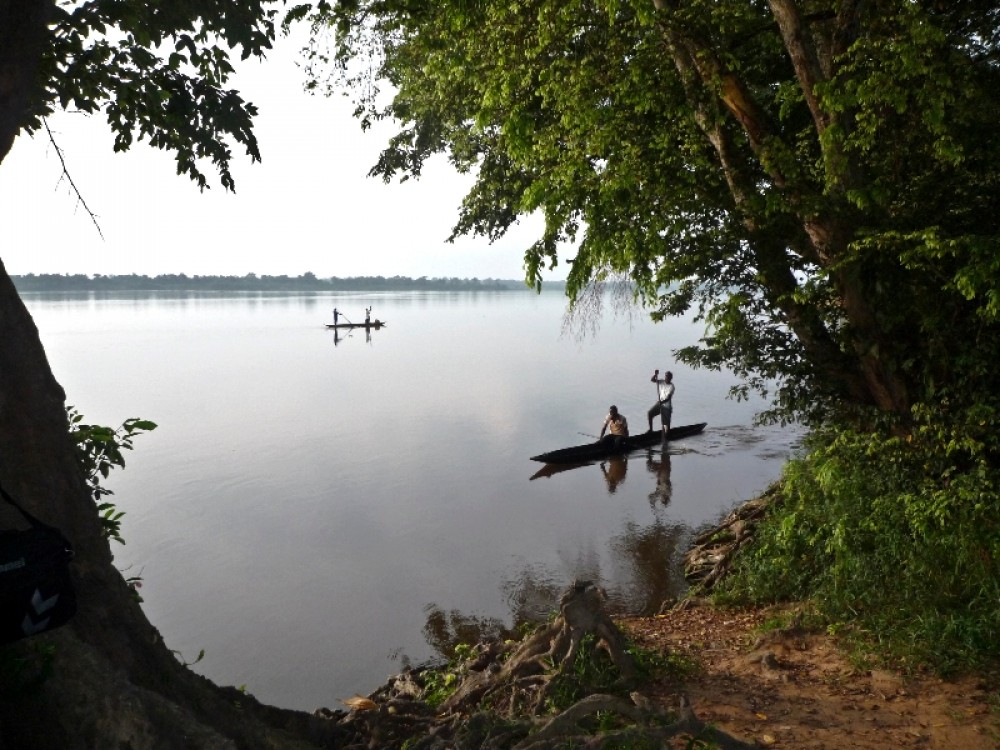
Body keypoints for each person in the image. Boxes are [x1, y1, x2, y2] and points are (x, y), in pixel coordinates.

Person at [647, 369, 675, 437]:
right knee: (650, 413)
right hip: (659, 404)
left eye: (668, 377)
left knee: (665, 425)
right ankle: (651, 430)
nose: (667, 378)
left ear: (670, 378)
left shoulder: (671, 386)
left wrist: (662, 402)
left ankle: (667, 434)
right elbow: (652, 380)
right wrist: (655, 374)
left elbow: (668, 398)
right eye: (666, 376)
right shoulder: (661, 381)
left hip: (666, 406)